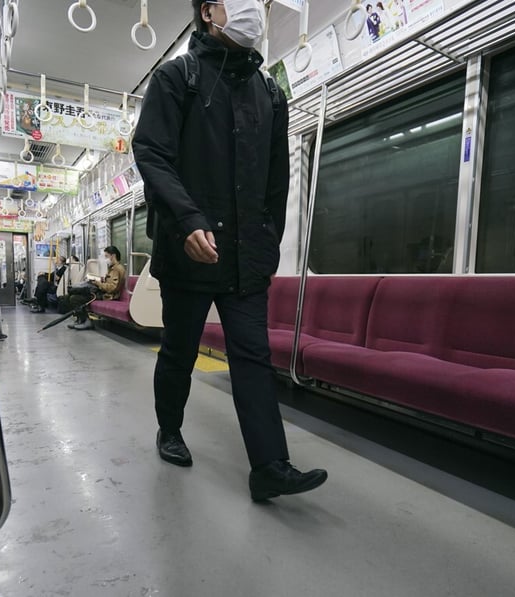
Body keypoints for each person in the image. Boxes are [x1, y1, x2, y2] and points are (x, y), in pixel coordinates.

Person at [132, 0, 327, 502]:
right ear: (207, 11)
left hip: (245, 257)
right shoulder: (178, 78)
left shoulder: (269, 92)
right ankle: (169, 428)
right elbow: (152, 153)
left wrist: (267, 240)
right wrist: (187, 220)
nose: (249, 9)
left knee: (252, 356)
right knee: (179, 351)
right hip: (189, 249)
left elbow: (276, 179)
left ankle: (269, 465)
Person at [65, 246, 125, 331]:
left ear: (113, 256)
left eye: (106, 256)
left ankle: (86, 321)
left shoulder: (118, 269)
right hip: (103, 292)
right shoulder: (112, 268)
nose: (105, 259)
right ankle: (81, 320)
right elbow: (109, 282)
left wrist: (98, 283)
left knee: (75, 298)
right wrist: (99, 280)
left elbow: (112, 288)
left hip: (108, 296)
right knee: (74, 294)